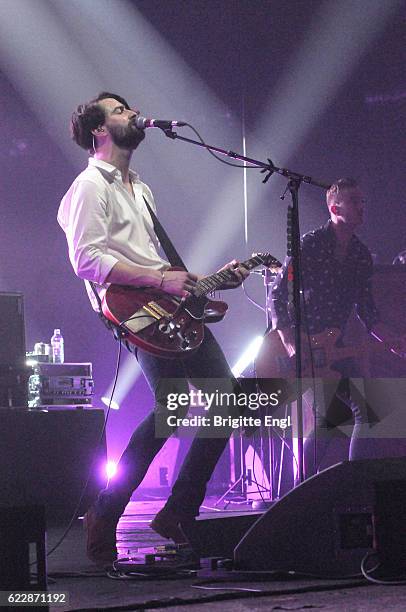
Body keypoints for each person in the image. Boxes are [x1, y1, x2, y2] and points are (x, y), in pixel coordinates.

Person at [58, 92, 251, 566]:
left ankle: (179, 510)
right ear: (100, 130)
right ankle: (105, 513)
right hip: (132, 308)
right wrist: (159, 279)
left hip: (166, 303)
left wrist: (197, 283)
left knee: (225, 398)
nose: (131, 114)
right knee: (173, 407)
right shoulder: (89, 187)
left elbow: (156, 261)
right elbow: (86, 259)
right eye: (119, 111)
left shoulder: (140, 188)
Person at [271, 178, 405, 476]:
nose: (362, 207)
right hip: (304, 349)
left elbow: (367, 312)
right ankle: (334, 489)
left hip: (336, 351)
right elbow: (277, 295)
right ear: (334, 207)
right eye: (354, 201)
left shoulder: (360, 255)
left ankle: (296, 494)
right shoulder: (309, 245)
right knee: (354, 411)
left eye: (362, 201)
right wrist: (293, 343)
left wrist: (392, 339)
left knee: (343, 416)